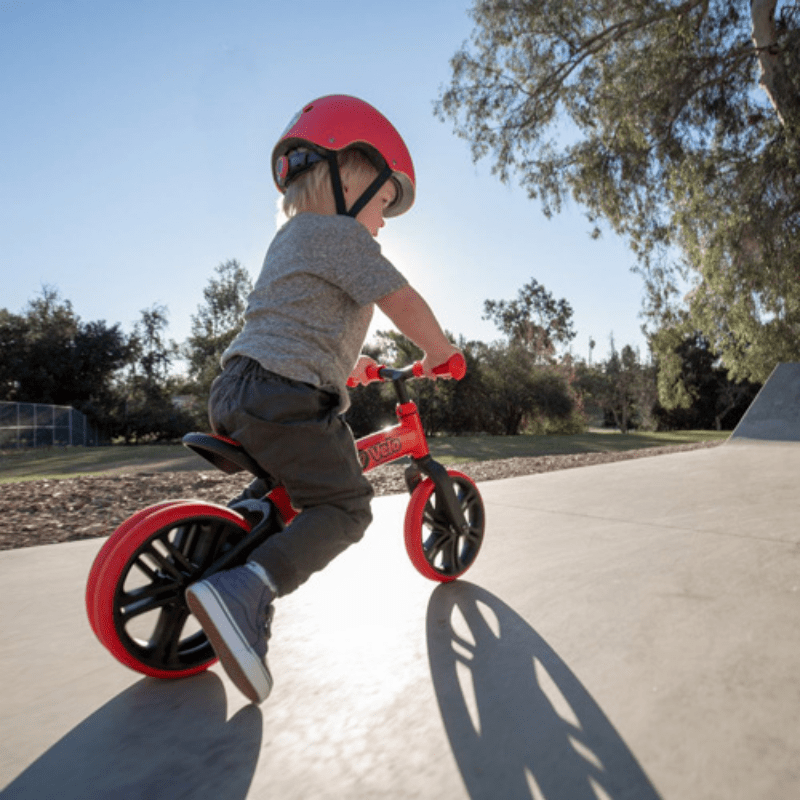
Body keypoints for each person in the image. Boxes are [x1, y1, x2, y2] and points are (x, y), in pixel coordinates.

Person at [185, 95, 460, 704]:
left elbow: (298, 319)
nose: (384, 223)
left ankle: (231, 542)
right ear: (348, 176)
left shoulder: (290, 239)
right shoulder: (341, 236)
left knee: (286, 492)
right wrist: (440, 348)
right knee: (345, 506)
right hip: (286, 394)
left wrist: (351, 365)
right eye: (385, 203)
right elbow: (400, 299)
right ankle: (249, 588)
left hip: (240, 389)